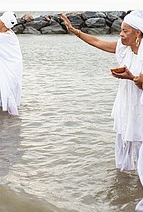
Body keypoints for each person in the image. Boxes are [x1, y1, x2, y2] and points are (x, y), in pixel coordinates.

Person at [61, 11, 143, 211]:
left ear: (138, 34)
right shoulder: (123, 49)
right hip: (126, 104)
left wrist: (133, 78)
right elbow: (97, 42)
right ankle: (125, 184)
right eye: (121, 30)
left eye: (125, 31)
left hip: (140, 106)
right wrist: (74, 31)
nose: (121, 34)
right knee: (124, 142)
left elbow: (141, 82)